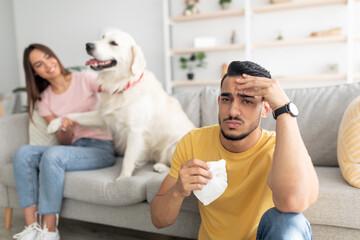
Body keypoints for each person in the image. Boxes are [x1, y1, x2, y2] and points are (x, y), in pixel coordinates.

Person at [150, 61, 319, 240]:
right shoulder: (193, 142)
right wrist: (177, 191)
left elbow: (292, 202)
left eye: (246, 101)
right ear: (219, 101)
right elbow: (158, 220)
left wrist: (284, 110)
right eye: (226, 99)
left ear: (266, 109)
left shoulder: (280, 148)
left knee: (288, 222)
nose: (232, 111)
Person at [12, 43, 115, 240]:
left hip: (100, 148)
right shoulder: (44, 100)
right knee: (23, 153)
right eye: (39, 64)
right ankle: (32, 228)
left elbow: (113, 99)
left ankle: (50, 230)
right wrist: (65, 128)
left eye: (48, 56)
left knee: (53, 154)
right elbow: (64, 141)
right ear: (35, 73)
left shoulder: (85, 78)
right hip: (74, 148)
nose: (48, 64)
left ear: (54, 56)